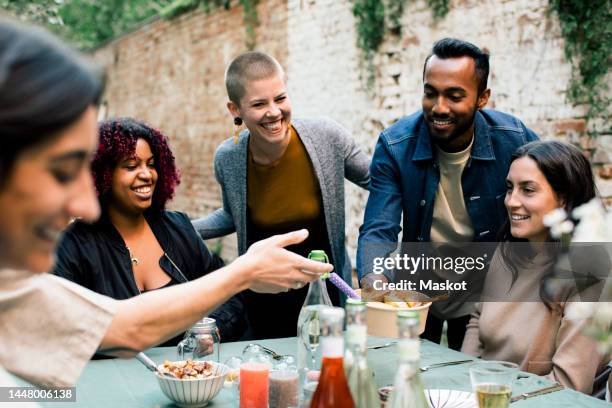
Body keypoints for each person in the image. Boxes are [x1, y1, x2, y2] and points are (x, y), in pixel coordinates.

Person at [0, 18, 332, 388]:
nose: (86, 204)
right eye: (61, 171)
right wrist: (245, 272)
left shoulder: (13, 286)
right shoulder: (65, 252)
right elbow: (125, 330)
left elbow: (108, 337)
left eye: (151, 165)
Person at [357, 38, 539, 350]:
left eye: (454, 96)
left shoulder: (514, 140)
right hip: (416, 292)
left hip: (486, 294)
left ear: (482, 98)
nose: (439, 107)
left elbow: (560, 200)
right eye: (430, 93)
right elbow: (379, 227)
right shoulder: (395, 145)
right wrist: (375, 278)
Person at [192, 51, 370, 339]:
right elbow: (231, 215)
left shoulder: (327, 138)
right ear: (235, 109)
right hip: (262, 305)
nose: (274, 112)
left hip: (325, 303)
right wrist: (177, 228)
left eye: (280, 98)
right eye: (259, 104)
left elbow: (378, 181)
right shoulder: (228, 157)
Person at [53, 118, 244, 344]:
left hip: (184, 374)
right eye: (131, 166)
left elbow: (228, 292)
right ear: (102, 175)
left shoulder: (178, 228)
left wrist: (213, 331)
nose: (146, 174)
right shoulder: (71, 247)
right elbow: (61, 332)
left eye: (151, 164)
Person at [461, 140, 609, 393]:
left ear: (564, 199)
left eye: (528, 190)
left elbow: (568, 386)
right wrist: (465, 379)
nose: (511, 201)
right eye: (510, 188)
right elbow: (477, 321)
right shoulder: (507, 251)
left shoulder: (589, 272)